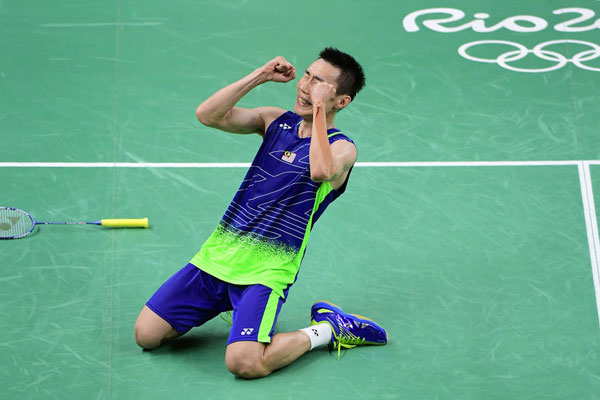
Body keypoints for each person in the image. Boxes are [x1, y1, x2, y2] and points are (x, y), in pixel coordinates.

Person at [134, 47, 387, 379]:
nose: (306, 86)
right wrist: (261, 75)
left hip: (266, 271)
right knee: (147, 335)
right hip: (219, 255)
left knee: (245, 363)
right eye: (307, 76)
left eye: (319, 83)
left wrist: (319, 108)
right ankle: (232, 307)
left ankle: (329, 329)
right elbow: (208, 115)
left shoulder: (342, 148)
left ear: (342, 100)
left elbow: (320, 171)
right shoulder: (275, 121)